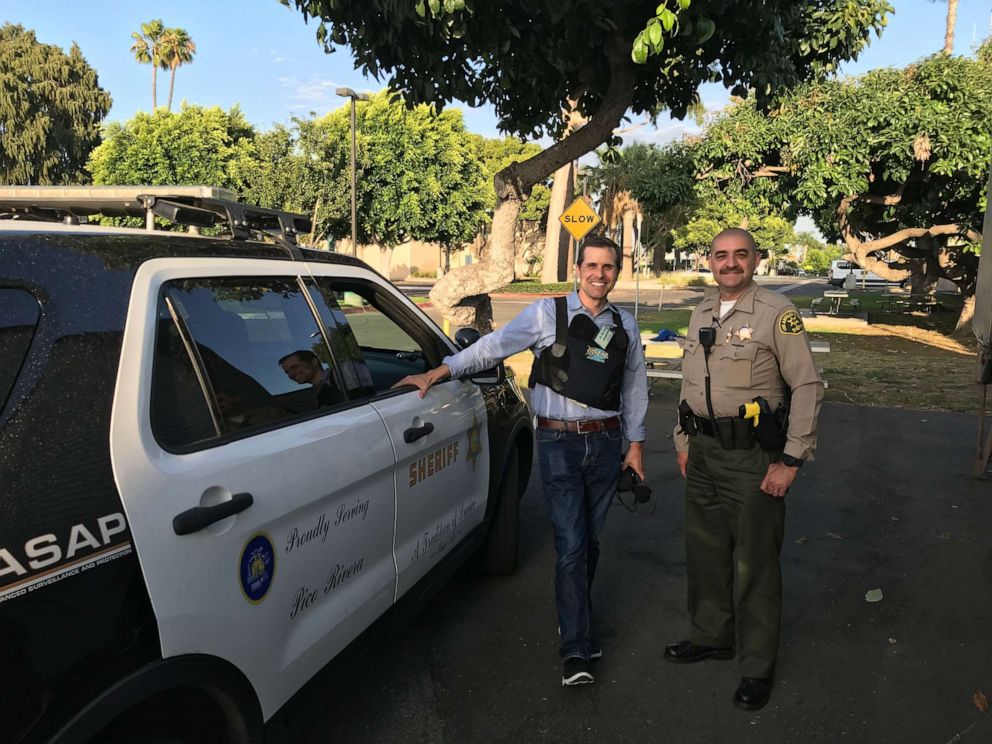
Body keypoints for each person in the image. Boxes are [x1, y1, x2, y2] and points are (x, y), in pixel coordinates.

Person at [394, 235, 648, 688]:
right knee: (571, 543)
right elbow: (494, 347)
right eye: (591, 265)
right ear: (578, 267)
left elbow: (633, 390)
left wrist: (635, 445)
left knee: (589, 543)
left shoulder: (625, 326)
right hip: (559, 445)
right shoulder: (548, 313)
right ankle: (575, 647)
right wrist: (440, 370)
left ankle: (576, 617)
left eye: (608, 267)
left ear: (616, 271)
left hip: (606, 444)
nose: (599, 274)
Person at [666, 228, 823, 711]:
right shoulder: (700, 311)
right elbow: (691, 382)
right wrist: (682, 440)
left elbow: (808, 387)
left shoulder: (778, 313)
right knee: (706, 553)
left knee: (754, 563)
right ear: (709, 261)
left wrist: (791, 460)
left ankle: (756, 666)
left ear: (757, 259)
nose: (730, 263)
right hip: (705, 453)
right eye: (720, 256)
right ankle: (712, 635)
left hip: (754, 458)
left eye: (740, 255)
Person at [278, 349, 343, 408]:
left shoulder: (342, 374)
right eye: (287, 372)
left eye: (294, 367)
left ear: (314, 362)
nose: (290, 374)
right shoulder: (314, 393)